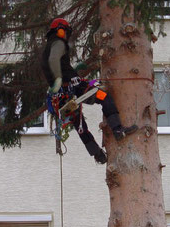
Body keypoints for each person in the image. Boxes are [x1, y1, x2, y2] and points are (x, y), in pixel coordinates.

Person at [41, 18, 138, 164]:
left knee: (79, 124)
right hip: (73, 86)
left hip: (61, 96)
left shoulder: (46, 49)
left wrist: (73, 72)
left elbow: (57, 64)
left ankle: (97, 154)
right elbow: (54, 60)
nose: (66, 36)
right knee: (104, 97)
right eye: (66, 32)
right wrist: (59, 78)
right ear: (60, 30)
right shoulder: (58, 43)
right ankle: (118, 130)